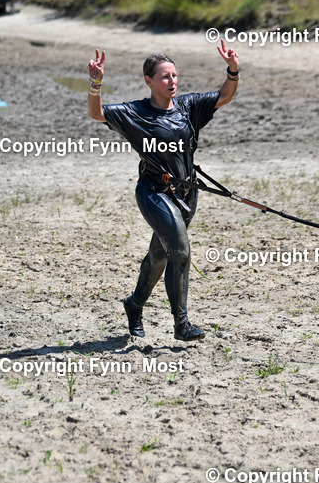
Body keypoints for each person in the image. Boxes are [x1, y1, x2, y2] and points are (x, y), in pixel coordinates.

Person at [87, 42, 239, 341]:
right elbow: (97, 114)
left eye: (174, 76)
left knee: (159, 255)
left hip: (186, 194)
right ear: (149, 81)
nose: (172, 81)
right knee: (180, 249)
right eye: (165, 77)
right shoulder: (134, 113)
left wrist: (233, 69)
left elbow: (225, 95)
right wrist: (95, 84)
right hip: (154, 192)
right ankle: (181, 324)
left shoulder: (189, 107)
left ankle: (134, 304)